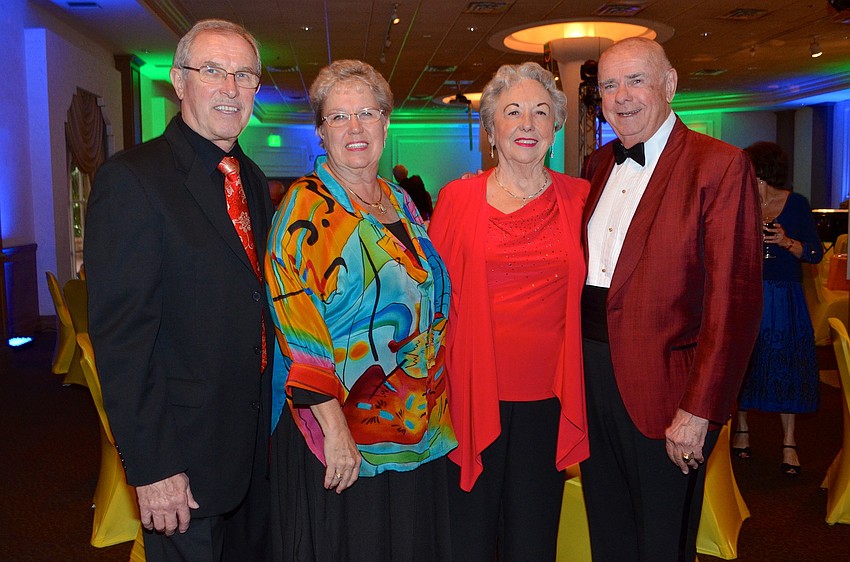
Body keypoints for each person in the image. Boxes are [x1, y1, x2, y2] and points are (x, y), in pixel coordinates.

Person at [85, 19, 273, 561]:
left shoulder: (252, 179)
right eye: (213, 71)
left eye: (244, 75)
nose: (231, 88)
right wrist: (153, 466)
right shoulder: (132, 181)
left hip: (249, 453)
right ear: (178, 80)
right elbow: (122, 342)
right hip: (181, 463)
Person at [580, 37, 763, 561]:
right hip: (593, 380)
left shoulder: (719, 166)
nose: (621, 96)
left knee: (662, 541)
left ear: (670, 84)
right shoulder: (595, 167)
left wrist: (699, 409)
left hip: (668, 392)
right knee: (608, 531)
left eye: (636, 80)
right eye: (610, 85)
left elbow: (736, 303)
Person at [265, 59, 456, 561]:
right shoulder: (307, 207)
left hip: (412, 424)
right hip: (342, 434)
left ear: (386, 123)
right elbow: (297, 331)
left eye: (367, 113)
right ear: (321, 132)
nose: (355, 128)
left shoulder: (397, 201)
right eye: (338, 117)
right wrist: (336, 432)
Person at [429, 61, 589, 561]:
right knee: (468, 538)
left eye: (541, 113)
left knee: (533, 539)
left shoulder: (580, 199)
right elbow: (431, 302)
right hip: (472, 393)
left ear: (556, 127)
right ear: (491, 128)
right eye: (513, 112)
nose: (527, 124)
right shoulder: (458, 199)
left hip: (549, 398)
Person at [732, 141, 823, 476]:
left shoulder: (796, 204)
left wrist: (785, 240)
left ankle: (789, 440)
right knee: (744, 363)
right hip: (745, 293)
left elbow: (815, 254)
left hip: (784, 295)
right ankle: (741, 429)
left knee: (787, 364)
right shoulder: (737, 202)